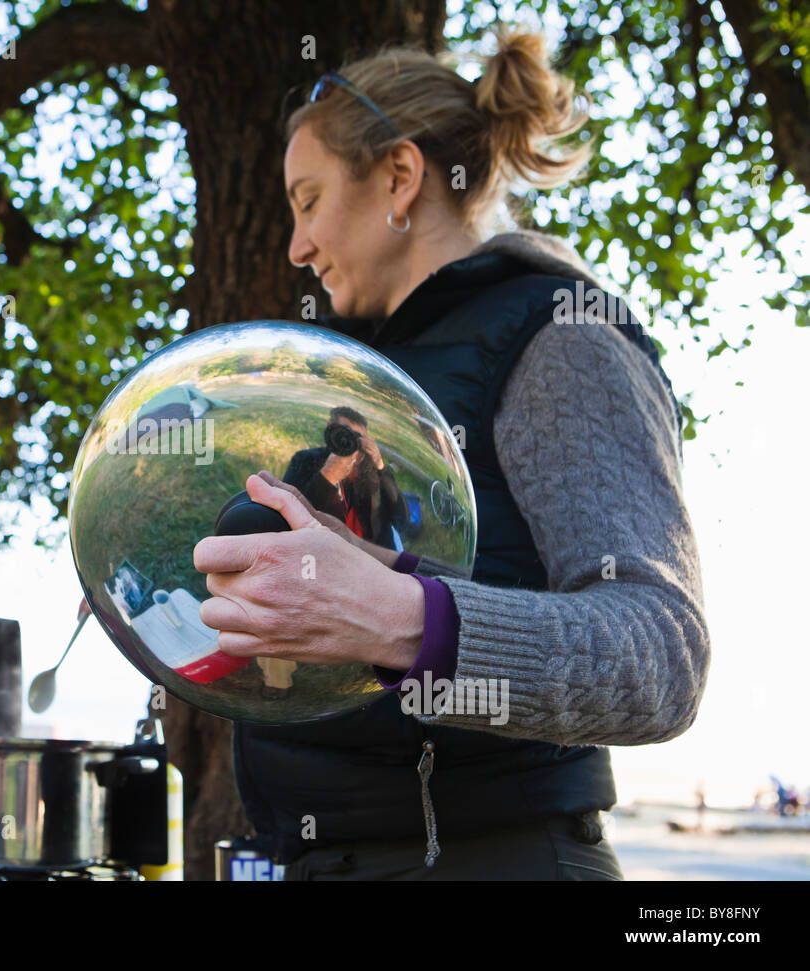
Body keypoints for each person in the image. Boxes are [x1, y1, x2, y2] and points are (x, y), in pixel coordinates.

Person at [191, 27, 710, 879]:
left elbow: (660, 655)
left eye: (309, 200)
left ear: (399, 177)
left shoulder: (561, 338)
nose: (296, 247)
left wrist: (406, 618)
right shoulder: (362, 380)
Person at [283, 406, 406, 549]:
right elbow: (288, 518)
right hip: (325, 549)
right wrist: (327, 477)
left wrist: (380, 465)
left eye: (358, 437)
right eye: (345, 433)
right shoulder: (305, 460)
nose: (351, 442)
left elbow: (401, 516)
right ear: (330, 428)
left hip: (375, 552)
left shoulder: (371, 467)